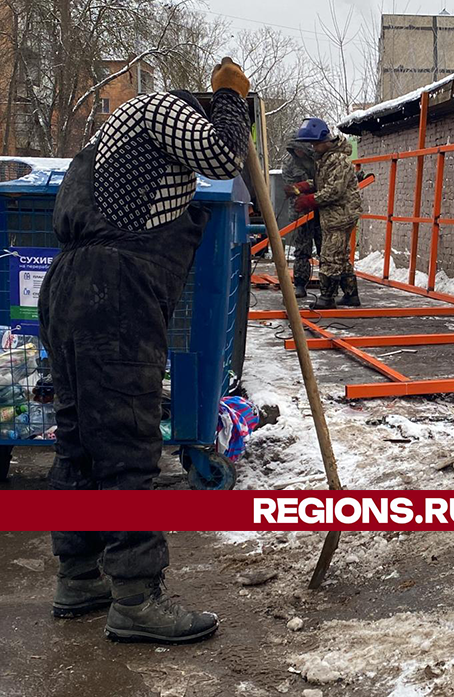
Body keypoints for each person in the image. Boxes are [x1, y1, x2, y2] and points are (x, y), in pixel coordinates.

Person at [38, 57, 251, 643]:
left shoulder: (120, 140)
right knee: (129, 443)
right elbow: (221, 155)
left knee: (81, 441)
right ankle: (136, 599)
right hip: (114, 294)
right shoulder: (162, 109)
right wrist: (233, 100)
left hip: (74, 290)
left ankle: (79, 578)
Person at [290, 118, 362, 308]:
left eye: (314, 143)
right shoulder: (327, 159)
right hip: (335, 214)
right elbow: (324, 183)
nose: (313, 148)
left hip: (340, 215)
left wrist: (309, 200)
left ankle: (326, 298)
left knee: (329, 255)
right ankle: (350, 294)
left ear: (324, 140)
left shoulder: (337, 160)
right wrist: (303, 187)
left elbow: (334, 190)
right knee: (341, 255)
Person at [281, 132, 322, 299]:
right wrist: (299, 195)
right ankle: (299, 284)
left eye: (299, 149)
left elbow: (327, 181)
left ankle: (329, 286)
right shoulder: (289, 162)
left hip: (321, 206)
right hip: (301, 210)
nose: (297, 152)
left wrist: (309, 188)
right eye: (294, 150)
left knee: (325, 248)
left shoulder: (319, 159)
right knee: (301, 248)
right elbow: (290, 186)